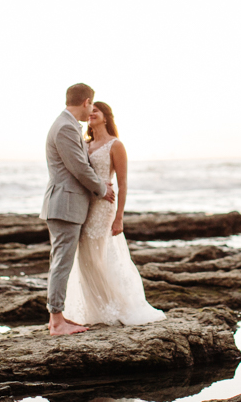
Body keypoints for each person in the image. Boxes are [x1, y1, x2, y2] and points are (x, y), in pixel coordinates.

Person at [63, 101, 166, 326]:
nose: (91, 114)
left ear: (106, 117)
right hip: (84, 204)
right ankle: (95, 309)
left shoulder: (116, 145)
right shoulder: (84, 143)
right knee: (85, 257)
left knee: (101, 256)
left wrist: (120, 216)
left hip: (104, 207)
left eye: (96, 111)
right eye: (90, 111)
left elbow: (123, 184)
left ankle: (117, 306)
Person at [40, 83, 115, 336]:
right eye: (91, 106)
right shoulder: (64, 127)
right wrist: (103, 190)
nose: (91, 111)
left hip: (67, 205)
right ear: (86, 102)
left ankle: (56, 318)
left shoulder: (70, 125)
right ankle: (57, 321)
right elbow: (79, 168)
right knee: (62, 262)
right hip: (65, 205)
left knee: (60, 261)